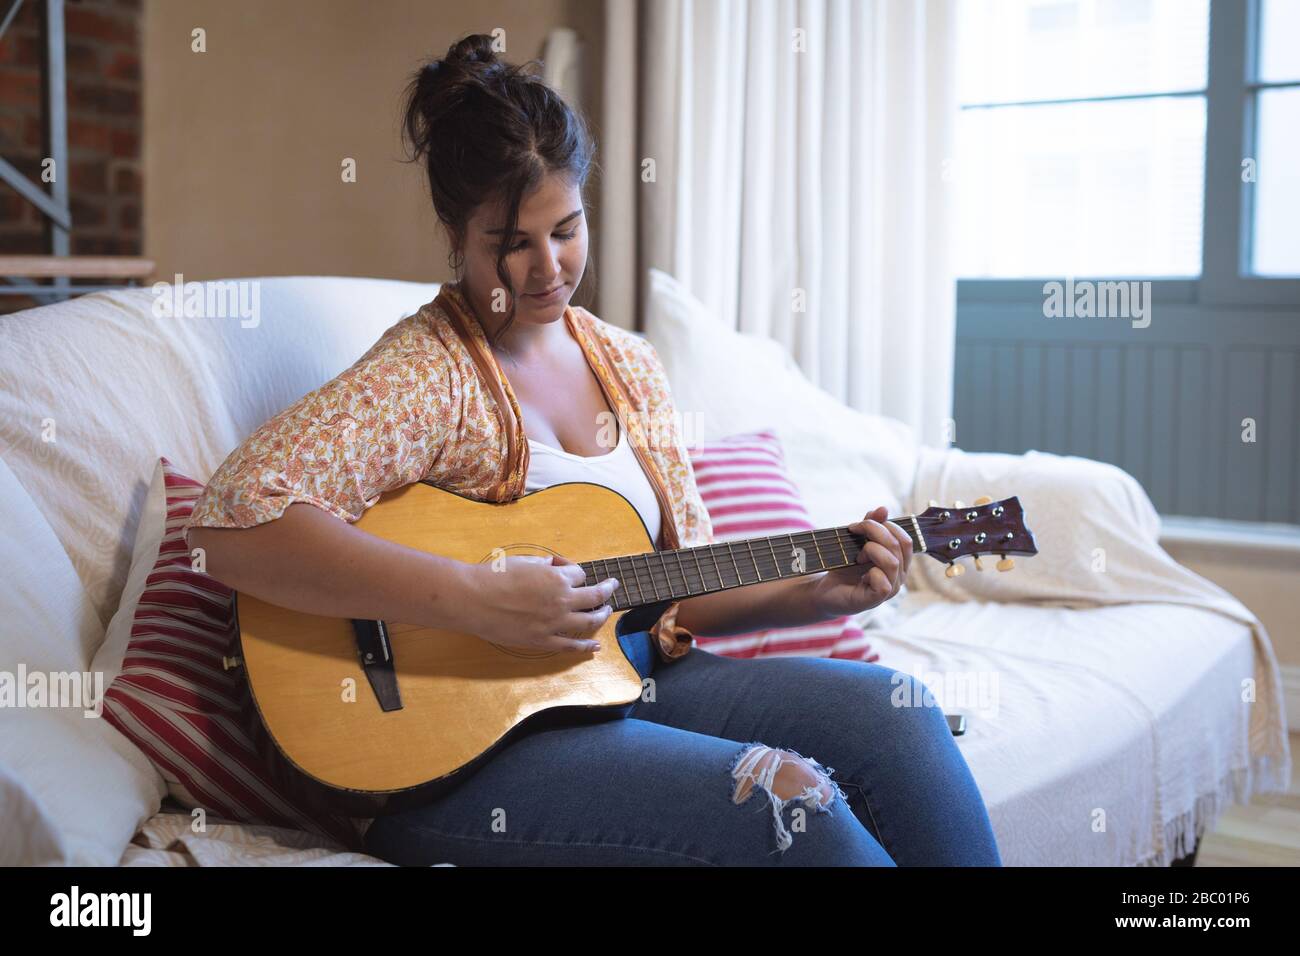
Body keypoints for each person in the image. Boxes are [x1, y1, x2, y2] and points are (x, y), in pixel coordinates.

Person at [184, 33, 1002, 867]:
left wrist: (819, 594)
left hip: (640, 683)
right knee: (794, 805)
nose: (548, 268)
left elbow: (672, 597)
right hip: (475, 756)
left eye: (567, 230)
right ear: (455, 232)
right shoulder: (426, 373)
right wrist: (472, 598)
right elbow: (230, 526)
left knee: (900, 715)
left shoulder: (630, 366)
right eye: (512, 241)